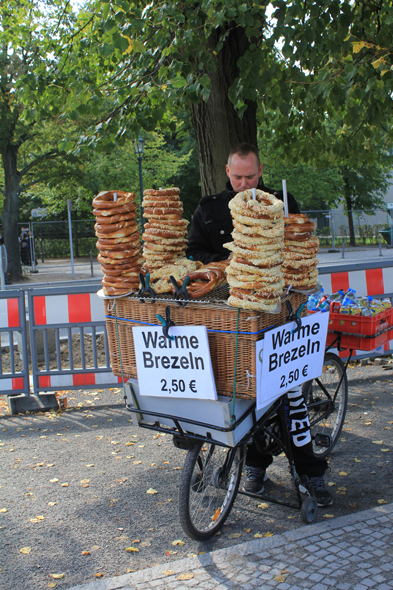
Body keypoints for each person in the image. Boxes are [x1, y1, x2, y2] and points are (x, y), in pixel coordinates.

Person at [186, 143, 332, 507]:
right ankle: (255, 464)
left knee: (289, 394)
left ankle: (310, 473)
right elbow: (193, 254)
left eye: (250, 176)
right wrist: (232, 261)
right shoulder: (208, 210)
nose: (244, 183)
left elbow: (298, 251)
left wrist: (267, 267)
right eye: (237, 176)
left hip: (277, 311)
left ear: (261, 171)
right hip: (230, 314)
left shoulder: (281, 201)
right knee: (243, 395)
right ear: (226, 171)